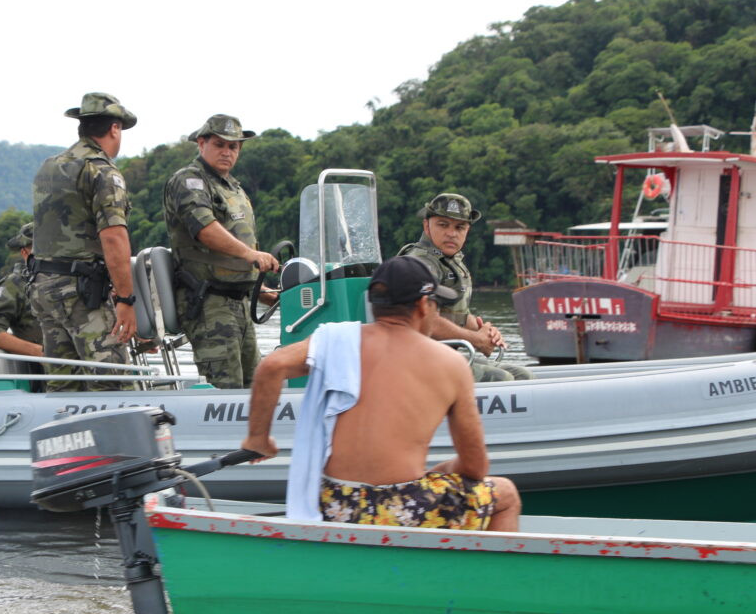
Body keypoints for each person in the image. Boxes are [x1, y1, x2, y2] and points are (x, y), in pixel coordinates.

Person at [242, 256, 521, 532]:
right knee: (506, 494)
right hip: (402, 507)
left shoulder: (335, 340)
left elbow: (271, 366)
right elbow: (475, 467)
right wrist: (441, 470)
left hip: (333, 503)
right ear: (424, 306)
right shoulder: (451, 364)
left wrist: (258, 439)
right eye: (436, 305)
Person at [29, 92, 138, 392]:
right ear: (114, 128)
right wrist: (126, 300)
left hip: (43, 288)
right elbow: (114, 238)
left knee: (63, 385)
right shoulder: (102, 171)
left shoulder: (49, 167)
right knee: (112, 382)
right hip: (81, 293)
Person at [163, 114, 279, 389]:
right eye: (220, 144)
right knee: (227, 389)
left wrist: (260, 291)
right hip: (208, 302)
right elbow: (204, 228)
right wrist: (252, 256)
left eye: (234, 146)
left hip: (239, 301)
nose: (227, 152)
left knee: (257, 385)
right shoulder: (189, 181)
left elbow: (235, 247)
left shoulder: (233, 187)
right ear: (201, 144)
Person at [398, 193, 533, 382]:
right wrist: (475, 339)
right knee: (501, 379)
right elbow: (424, 318)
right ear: (426, 226)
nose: (452, 233)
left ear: (467, 231)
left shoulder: (450, 260)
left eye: (459, 227)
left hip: (442, 355)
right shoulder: (420, 263)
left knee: (522, 375)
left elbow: (455, 313)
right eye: (443, 225)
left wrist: (485, 332)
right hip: (418, 360)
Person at [0, 222, 44, 357]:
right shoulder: (15, 284)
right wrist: (40, 352)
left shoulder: (77, 279)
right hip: (52, 370)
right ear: (25, 253)